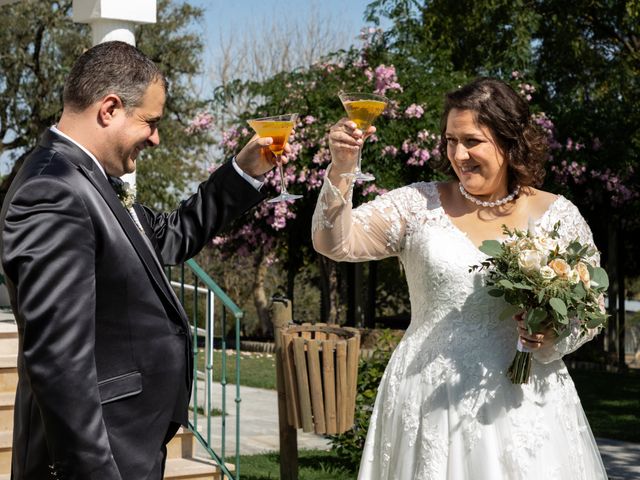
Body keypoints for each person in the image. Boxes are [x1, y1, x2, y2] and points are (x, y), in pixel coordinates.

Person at [0, 41, 281, 479]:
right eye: (150, 122)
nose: (156, 137)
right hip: (99, 458)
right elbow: (59, 364)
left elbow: (170, 237)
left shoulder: (89, 179)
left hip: (129, 445)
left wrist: (242, 172)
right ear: (110, 108)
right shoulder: (52, 191)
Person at [312, 78, 607, 479]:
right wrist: (342, 168)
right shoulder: (418, 205)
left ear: (509, 141)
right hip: (428, 399)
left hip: (526, 408)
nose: (458, 154)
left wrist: (553, 335)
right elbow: (335, 242)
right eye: (450, 140)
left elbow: (593, 310)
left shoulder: (558, 216)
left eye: (472, 141)